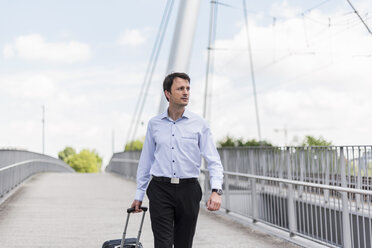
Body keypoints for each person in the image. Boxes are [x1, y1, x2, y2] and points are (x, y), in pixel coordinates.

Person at [131, 72, 224, 248]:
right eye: (180, 88)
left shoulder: (199, 123)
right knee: (163, 244)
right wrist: (139, 194)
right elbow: (146, 160)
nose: (186, 92)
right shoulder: (154, 124)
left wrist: (216, 190)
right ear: (168, 93)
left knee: (184, 244)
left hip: (188, 190)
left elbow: (213, 160)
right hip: (160, 189)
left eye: (188, 88)